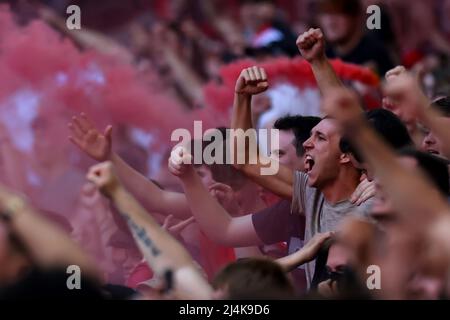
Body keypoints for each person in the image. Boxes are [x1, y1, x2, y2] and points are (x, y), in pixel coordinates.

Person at [315, 0, 395, 75]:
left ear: (355, 17)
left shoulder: (375, 53)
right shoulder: (322, 55)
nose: (331, 22)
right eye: (325, 14)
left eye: (338, 14)